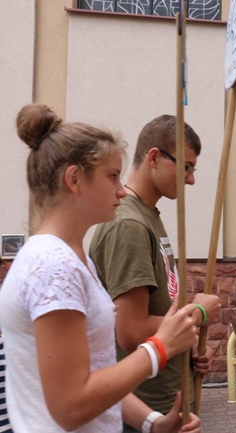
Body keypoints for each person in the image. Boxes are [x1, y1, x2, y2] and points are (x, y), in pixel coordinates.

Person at [0, 103, 201, 432]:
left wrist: (152, 423)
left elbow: (97, 371)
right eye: (111, 177)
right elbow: (71, 405)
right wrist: (160, 347)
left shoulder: (72, 259)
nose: (122, 190)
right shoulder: (52, 266)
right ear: (74, 179)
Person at [89, 115, 222, 425]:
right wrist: (196, 316)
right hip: (144, 408)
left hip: (166, 394)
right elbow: (132, 332)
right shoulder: (130, 225)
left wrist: (189, 347)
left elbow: (160, 311)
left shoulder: (148, 216)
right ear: (154, 157)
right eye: (186, 167)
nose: (191, 179)